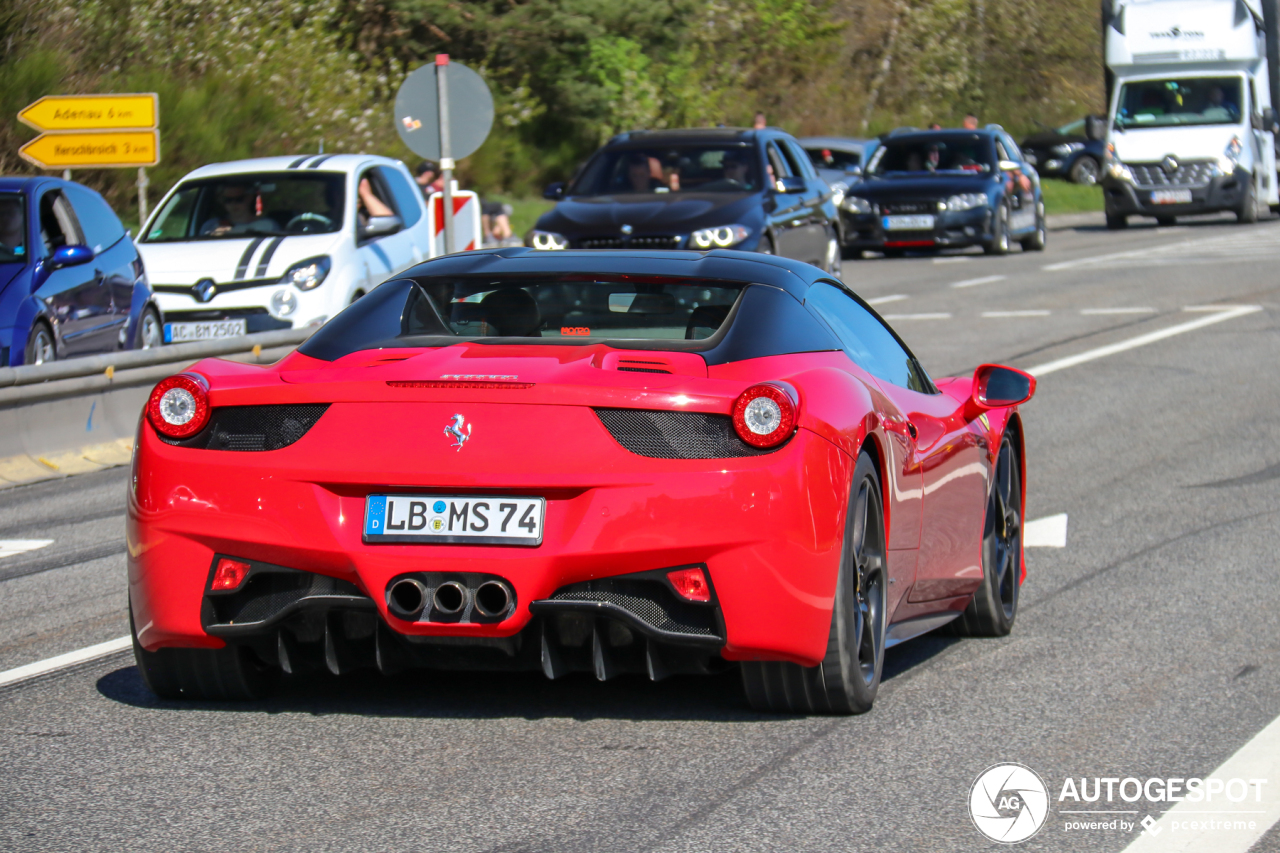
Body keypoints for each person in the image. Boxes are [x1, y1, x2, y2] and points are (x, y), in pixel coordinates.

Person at [200, 184, 280, 236]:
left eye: (239, 199)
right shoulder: (211, 226)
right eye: (228, 200)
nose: (233, 204)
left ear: (250, 198)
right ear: (221, 201)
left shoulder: (269, 225)